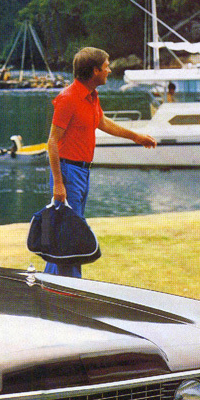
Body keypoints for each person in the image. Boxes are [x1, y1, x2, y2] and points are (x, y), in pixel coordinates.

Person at [45, 47, 157, 277]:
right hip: (68, 171)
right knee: (72, 233)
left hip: (81, 172)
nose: (109, 70)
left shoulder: (91, 95)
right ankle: (72, 285)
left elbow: (102, 122)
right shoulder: (68, 98)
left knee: (68, 229)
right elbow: (52, 141)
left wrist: (136, 137)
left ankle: (50, 282)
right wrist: (58, 183)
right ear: (95, 70)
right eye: (106, 66)